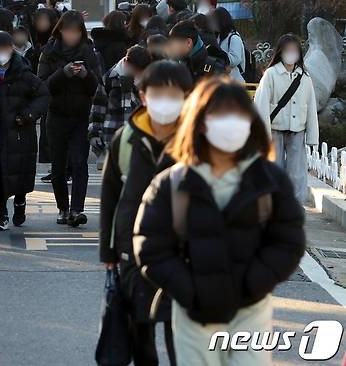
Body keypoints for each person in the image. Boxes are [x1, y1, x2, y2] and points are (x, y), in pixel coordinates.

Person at [133, 77, 306, 366]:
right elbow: (150, 245)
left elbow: (289, 242)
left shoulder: (269, 180)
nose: (231, 123)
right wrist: (189, 291)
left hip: (251, 311)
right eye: (220, 115)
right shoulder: (172, 183)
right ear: (200, 121)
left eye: (238, 115)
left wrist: (253, 285)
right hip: (193, 316)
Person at [100, 61, 193, 366]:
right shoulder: (125, 140)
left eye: (173, 94)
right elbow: (111, 197)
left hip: (185, 254)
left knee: (183, 334)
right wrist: (108, 251)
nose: (165, 101)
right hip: (132, 251)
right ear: (143, 96)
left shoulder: (199, 142)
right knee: (140, 330)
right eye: (157, 93)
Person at [38, 11, 100, 227]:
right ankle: (63, 208)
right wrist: (63, 73)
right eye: (68, 31)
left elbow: (98, 87)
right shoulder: (49, 52)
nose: (71, 36)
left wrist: (85, 74)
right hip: (56, 115)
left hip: (82, 116)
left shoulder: (89, 52)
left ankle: (77, 210)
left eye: (76, 32)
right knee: (58, 166)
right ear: (60, 30)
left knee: (79, 163)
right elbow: (42, 85)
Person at [0, 31, 49, 230]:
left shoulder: (24, 73)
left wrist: (27, 115)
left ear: (11, 49)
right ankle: (1, 215)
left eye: (4, 50)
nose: (0, 54)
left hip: (20, 133)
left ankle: (20, 203)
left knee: (20, 174)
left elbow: (43, 96)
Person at [254, 34, 319, 202]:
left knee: (297, 173)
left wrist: (313, 137)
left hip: (297, 130)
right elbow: (261, 104)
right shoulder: (271, 74)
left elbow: (311, 107)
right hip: (275, 130)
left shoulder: (305, 78)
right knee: (274, 169)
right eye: (288, 50)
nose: (291, 53)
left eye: (294, 50)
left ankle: (295, 207)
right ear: (280, 52)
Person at [89, 45, 152, 156]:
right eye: (135, 70)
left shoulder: (148, 80)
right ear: (126, 63)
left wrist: (135, 87)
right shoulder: (109, 78)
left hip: (138, 138)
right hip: (112, 137)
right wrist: (94, 133)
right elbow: (98, 108)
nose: (138, 74)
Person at [31, 7, 59, 176]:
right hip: (45, 90)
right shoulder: (34, 36)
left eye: (44, 21)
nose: (40, 24)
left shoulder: (53, 43)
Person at [213, 7, 246, 82]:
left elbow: (235, 60)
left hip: (235, 82)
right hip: (223, 81)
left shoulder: (234, 38)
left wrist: (219, 54)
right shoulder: (218, 36)